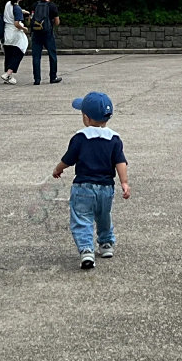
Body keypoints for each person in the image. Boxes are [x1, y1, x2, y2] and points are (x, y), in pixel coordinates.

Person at [52, 91, 131, 271]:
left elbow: (68, 159)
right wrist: (124, 182)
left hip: (83, 187)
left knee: (82, 218)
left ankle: (87, 250)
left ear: (86, 118)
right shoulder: (114, 138)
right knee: (104, 216)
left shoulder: (80, 137)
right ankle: (106, 245)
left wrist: (58, 169)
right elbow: (120, 162)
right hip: (106, 187)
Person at [31, 0, 62, 85]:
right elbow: (57, 22)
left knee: (36, 56)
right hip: (48, 33)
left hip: (36, 33)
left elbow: (30, 19)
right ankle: (53, 77)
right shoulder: (52, 6)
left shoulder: (35, 5)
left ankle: (37, 79)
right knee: (52, 55)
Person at [0, 0, 29, 86]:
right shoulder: (16, 8)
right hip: (15, 33)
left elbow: (12, 11)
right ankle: (8, 73)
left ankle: (8, 76)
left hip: (7, 32)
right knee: (20, 50)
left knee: (8, 53)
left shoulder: (8, 4)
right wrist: (25, 29)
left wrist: (22, 11)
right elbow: (17, 24)